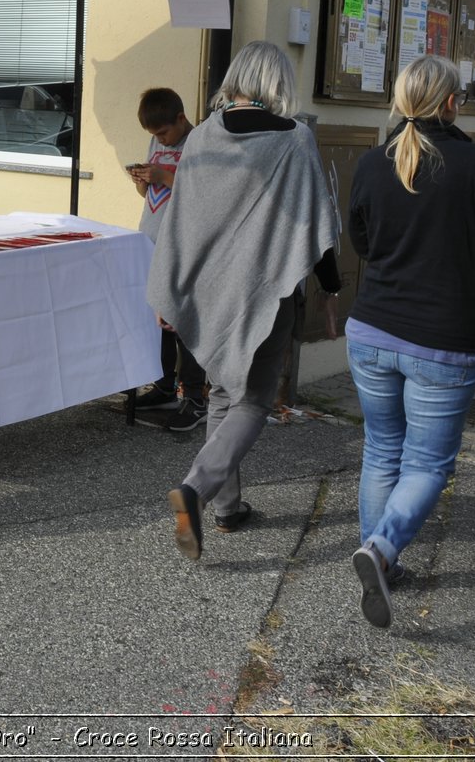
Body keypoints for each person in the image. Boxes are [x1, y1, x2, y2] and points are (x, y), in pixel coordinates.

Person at [344, 55, 475, 628]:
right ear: (451, 102)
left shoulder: (374, 163)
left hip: (371, 330)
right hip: (441, 341)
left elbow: (364, 243)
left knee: (381, 449)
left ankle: (381, 561)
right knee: (427, 462)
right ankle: (381, 552)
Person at [147, 41, 342, 560]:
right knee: (254, 399)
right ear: (277, 83)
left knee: (220, 393)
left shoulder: (202, 137)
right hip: (266, 289)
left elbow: (180, 226)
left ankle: (229, 509)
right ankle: (197, 488)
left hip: (209, 289)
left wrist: (172, 289)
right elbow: (313, 224)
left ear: (235, 78)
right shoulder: (295, 139)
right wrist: (333, 290)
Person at [126, 87, 210, 431]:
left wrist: (164, 176)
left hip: (184, 244)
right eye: (154, 136)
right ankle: (162, 386)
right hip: (153, 237)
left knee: (184, 322)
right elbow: (149, 193)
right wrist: (142, 181)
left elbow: (205, 192)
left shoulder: (201, 142)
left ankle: (194, 396)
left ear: (181, 118)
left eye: (163, 133)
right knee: (157, 317)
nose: (160, 140)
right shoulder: (158, 143)